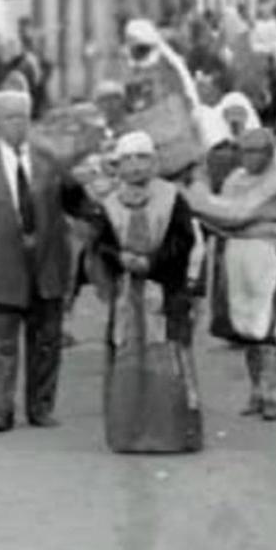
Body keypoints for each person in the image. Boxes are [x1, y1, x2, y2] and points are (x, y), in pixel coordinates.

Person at [0, 87, 80, 433]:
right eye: (10, 117)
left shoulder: (48, 159)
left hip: (45, 260)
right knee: (0, 341)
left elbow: (73, 198)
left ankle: (41, 407)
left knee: (46, 340)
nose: (18, 125)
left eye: (24, 117)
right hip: (1, 262)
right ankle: (1, 410)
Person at [90, 131, 202, 453]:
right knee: (128, 357)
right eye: (128, 159)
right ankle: (130, 434)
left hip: (165, 293)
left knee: (168, 356)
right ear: (118, 166)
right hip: (127, 295)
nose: (136, 166)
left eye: (142, 158)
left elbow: (184, 241)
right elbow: (101, 243)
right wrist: (120, 258)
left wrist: (153, 262)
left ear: (153, 162)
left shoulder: (172, 197)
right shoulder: (109, 203)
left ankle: (171, 434)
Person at [184, 127, 276, 421]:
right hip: (235, 253)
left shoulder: (275, 182)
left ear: (269, 153)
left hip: (263, 253)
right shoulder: (236, 179)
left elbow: (234, 214)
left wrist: (196, 193)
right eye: (245, 151)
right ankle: (256, 392)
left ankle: (270, 390)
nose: (250, 157)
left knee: (266, 327)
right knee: (246, 326)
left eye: (257, 151)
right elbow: (219, 213)